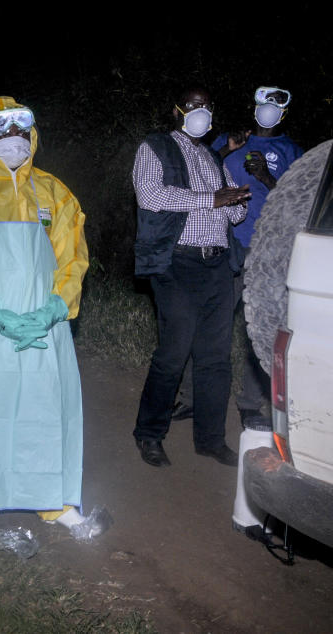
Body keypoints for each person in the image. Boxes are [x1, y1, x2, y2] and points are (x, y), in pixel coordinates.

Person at [0, 98, 90, 550]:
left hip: (43, 324)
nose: (11, 135)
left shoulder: (54, 192)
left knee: (45, 407)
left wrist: (53, 309)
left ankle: (55, 499)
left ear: (33, 135)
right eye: (0, 127)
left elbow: (73, 258)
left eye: (20, 127)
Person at [132, 87, 250, 468]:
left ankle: (211, 439)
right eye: (193, 105)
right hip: (176, 263)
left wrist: (235, 201)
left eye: (206, 107)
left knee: (215, 357)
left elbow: (235, 215)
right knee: (174, 351)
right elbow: (150, 195)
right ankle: (150, 434)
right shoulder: (156, 147)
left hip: (216, 265)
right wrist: (211, 198)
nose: (201, 112)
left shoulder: (215, 157)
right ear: (178, 110)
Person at [217, 87, 303, 537]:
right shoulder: (235, 144)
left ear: (285, 112)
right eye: (263, 103)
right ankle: (202, 407)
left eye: (277, 105)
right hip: (233, 246)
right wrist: (228, 147)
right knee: (217, 327)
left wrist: (269, 182)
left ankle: (254, 409)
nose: (269, 111)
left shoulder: (292, 152)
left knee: (262, 331)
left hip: (274, 255)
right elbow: (206, 168)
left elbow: (300, 203)